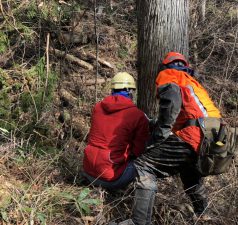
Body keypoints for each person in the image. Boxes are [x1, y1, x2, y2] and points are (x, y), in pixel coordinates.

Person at [117, 52, 222, 225]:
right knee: (190, 174)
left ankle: (139, 221)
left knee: (144, 166)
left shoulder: (170, 76)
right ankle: (205, 216)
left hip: (193, 135)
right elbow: (190, 113)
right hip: (214, 137)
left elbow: (171, 107)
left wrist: (157, 137)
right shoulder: (192, 82)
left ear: (165, 66)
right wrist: (157, 123)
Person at [82, 72, 149, 190]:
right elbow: (139, 151)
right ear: (130, 91)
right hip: (112, 180)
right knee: (144, 162)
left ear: (112, 89)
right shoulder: (137, 116)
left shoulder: (97, 107)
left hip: (88, 172)